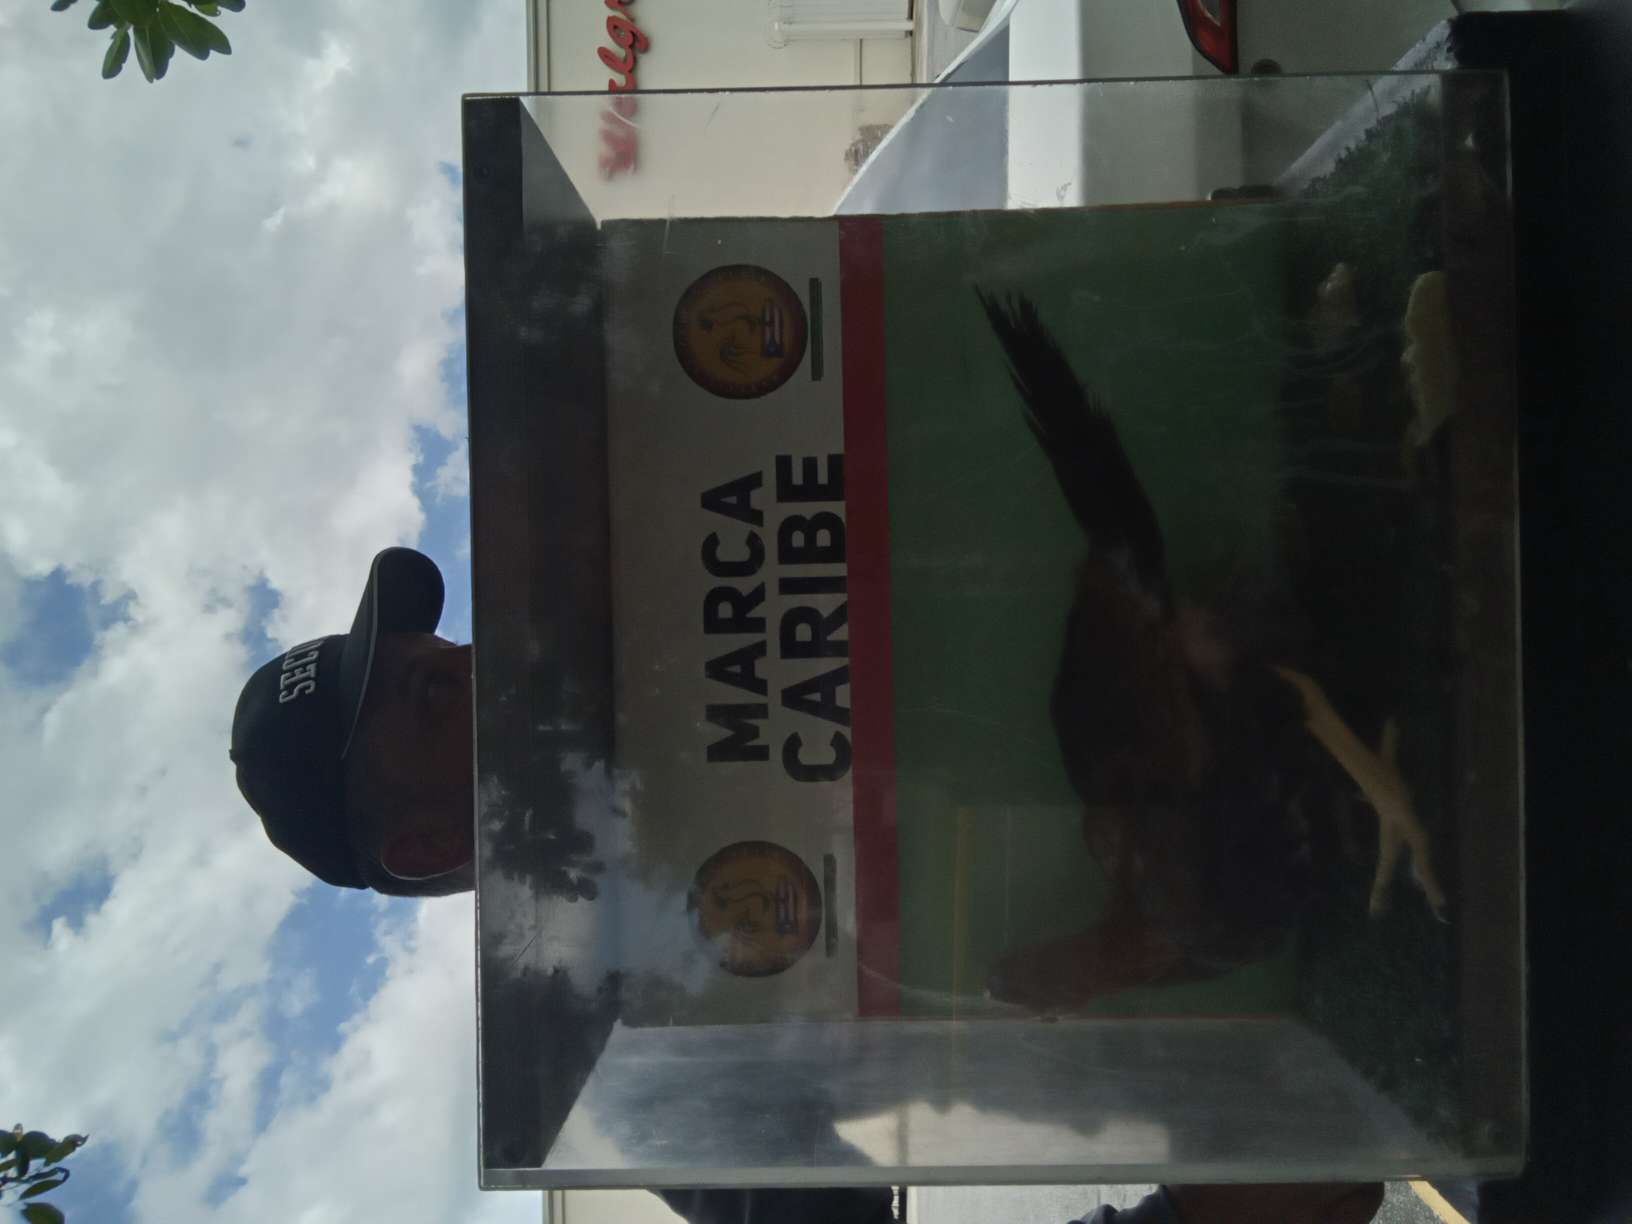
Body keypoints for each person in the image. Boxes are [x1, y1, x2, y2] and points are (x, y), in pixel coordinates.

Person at [230, 547, 1383, 1224]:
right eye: (432, 695)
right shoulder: (619, 1043)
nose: (476, 659)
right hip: (1313, 986)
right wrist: (1210, 1208)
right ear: (428, 847)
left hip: (1319, 687)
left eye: (444, 650)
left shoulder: (654, 581)